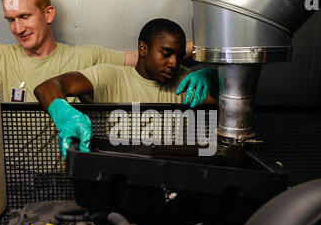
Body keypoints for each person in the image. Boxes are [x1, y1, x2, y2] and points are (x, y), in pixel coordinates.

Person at [0, 0, 195, 102]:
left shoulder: (85, 57)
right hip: (11, 179)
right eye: (10, 19)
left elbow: (146, 57)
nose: (18, 28)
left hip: (66, 178)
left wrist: (208, 56)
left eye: (25, 17)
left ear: (48, 14)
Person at [34, 18, 218, 158]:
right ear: (143, 49)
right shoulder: (110, 76)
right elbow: (47, 87)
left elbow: (233, 105)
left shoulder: (186, 80)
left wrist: (215, 79)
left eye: (178, 56)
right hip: (122, 176)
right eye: (166, 54)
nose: (174, 63)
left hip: (172, 179)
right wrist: (66, 116)